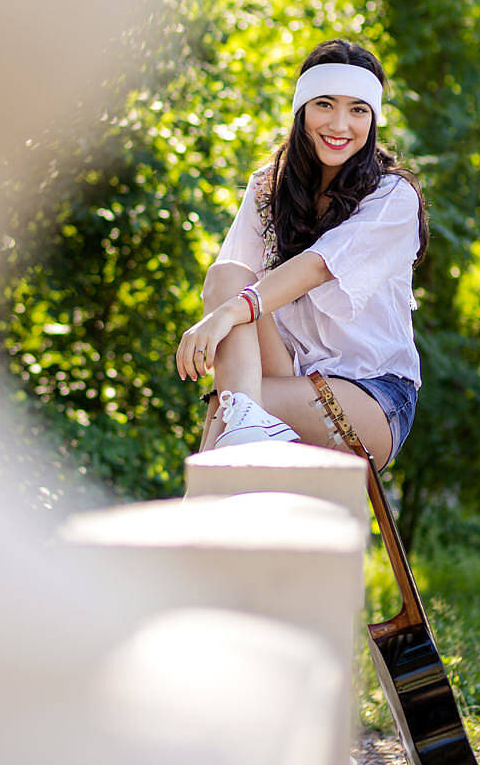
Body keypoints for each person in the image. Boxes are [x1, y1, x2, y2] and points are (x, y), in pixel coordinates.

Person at [174, 38, 429, 469]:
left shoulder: (391, 197)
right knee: (227, 277)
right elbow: (229, 286)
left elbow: (316, 266)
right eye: (325, 105)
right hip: (285, 373)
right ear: (302, 110)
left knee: (232, 400)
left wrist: (226, 315)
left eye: (358, 110)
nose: (340, 124)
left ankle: (195, 520)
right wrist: (228, 306)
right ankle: (242, 441)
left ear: (373, 120)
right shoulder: (265, 187)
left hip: (371, 394)